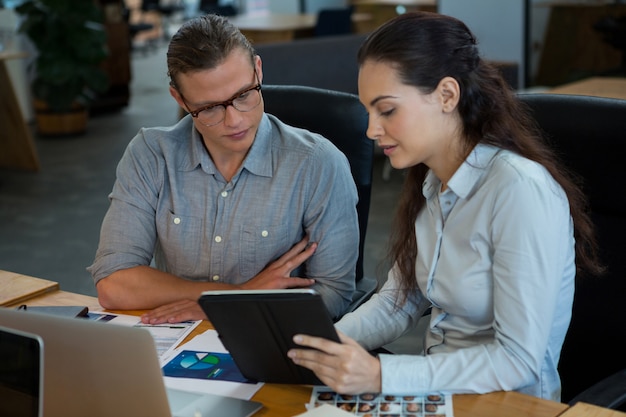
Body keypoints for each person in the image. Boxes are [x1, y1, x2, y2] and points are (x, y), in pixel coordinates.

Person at [287, 11, 603, 401]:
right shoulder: (433, 182)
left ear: (447, 95)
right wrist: (325, 345)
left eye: (386, 110)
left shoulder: (519, 190)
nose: (371, 129)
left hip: (508, 405)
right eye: (369, 111)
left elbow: (518, 360)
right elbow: (398, 301)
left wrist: (383, 375)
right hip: (439, 395)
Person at [87, 14, 359, 323]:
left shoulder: (318, 163)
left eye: (244, 95)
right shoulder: (151, 155)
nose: (235, 121)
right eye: (210, 108)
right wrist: (240, 294)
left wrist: (219, 308)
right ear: (180, 99)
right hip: (179, 338)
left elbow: (334, 295)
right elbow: (114, 283)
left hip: (271, 338)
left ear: (258, 70)